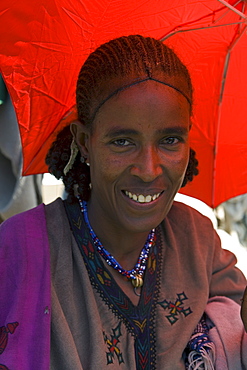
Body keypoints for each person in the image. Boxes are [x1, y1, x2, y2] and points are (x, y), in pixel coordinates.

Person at [0, 35, 246, 370]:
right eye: (122, 141)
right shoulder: (17, 250)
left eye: (170, 140)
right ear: (84, 143)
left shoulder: (197, 238)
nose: (148, 170)